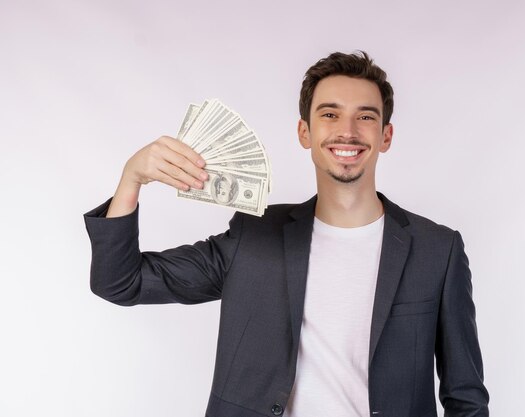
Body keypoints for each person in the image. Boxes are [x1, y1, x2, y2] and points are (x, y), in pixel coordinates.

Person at [84, 51, 489, 417]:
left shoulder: (438, 249)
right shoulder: (255, 236)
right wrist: (131, 179)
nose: (347, 131)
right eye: (329, 114)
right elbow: (120, 282)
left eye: (365, 116)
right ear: (304, 132)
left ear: (385, 136)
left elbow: (466, 398)